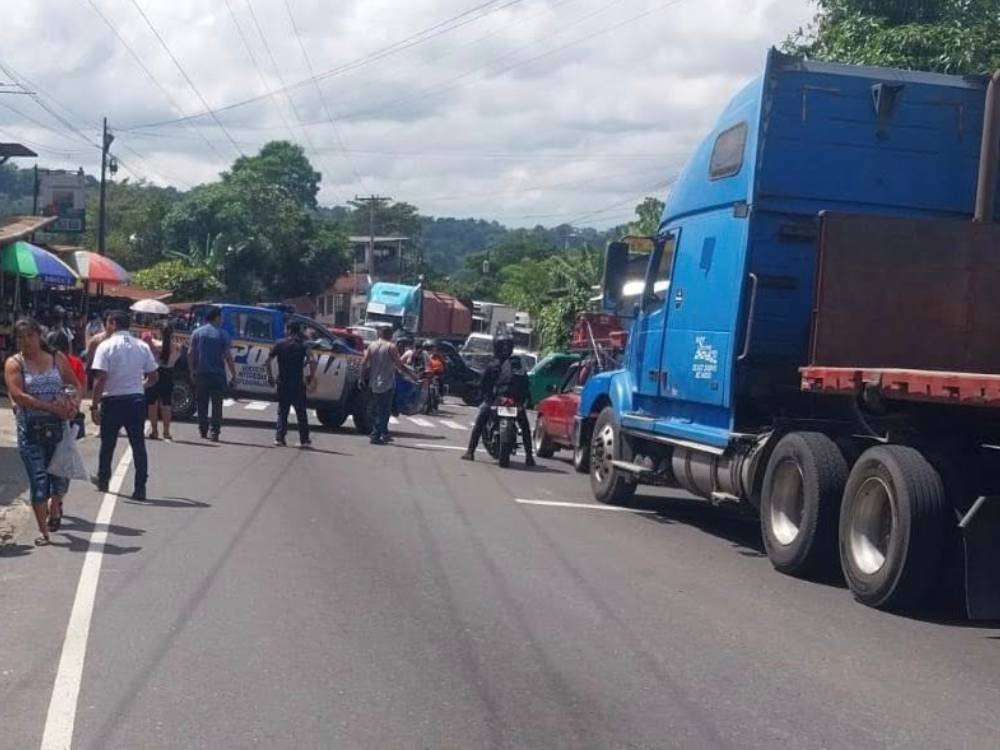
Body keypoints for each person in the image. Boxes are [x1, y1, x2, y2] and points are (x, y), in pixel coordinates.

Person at [4, 318, 81, 545]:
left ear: (39, 336)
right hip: (30, 429)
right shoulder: (14, 363)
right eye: (21, 337)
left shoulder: (57, 358)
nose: (26, 341)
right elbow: (19, 396)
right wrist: (50, 408)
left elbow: (75, 383)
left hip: (58, 428)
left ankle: (55, 506)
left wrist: (73, 404)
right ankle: (43, 532)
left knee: (60, 476)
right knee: (38, 480)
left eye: (30, 336)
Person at [90, 310, 159, 501]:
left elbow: (100, 379)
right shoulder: (142, 346)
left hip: (112, 400)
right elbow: (154, 376)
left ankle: (104, 480)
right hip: (135, 400)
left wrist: (94, 406)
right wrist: (140, 386)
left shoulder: (106, 346)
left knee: (108, 444)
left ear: (112, 323)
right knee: (138, 445)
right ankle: (140, 488)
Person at [461, 336, 535, 466]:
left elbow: (483, 383)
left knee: (480, 420)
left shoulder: (493, 365)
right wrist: (525, 400)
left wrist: (484, 395)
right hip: (515, 401)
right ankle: (529, 456)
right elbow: (526, 384)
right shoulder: (517, 364)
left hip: (497, 400)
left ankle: (470, 451)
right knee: (525, 426)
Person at [267, 320, 317, 448]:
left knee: (283, 411)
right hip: (297, 383)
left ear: (289, 330)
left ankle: (280, 438)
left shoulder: (280, 344)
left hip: (283, 382)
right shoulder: (303, 345)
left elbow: (267, 360)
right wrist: (311, 376)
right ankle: (304, 440)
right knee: (301, 412)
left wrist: (270, 376)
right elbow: (312, 360)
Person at [362, 326, 416, 445]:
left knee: (376, 408)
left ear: (380, 334)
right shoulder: (391, 347)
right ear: (391, 335)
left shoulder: (372, 345)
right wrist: (412, 376)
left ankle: (384, 433)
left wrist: (361, 378)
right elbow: (399, 365)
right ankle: (375, 435)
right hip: (386, 383)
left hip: (373, 382)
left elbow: (364, 363)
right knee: (384, 411)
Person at [189, 307, 236, 442]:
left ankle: (203, 429)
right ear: (216, 317)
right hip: (218, 374)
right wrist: (233, 374)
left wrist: (192, 370)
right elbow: (228, 356)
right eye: (221, 317)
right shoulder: (223, 335)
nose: (222, 320)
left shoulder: (197, 333)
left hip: (202, 373)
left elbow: (190, 353)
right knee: (217, 404)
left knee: (202, 403)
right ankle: (215, 431)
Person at [145, 321, 181, 441]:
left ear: (159, 332)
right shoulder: (176, 346)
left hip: (155, 373)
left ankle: (155, 431)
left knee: (152, 404)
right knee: (166, 404)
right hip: (168, 375)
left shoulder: (153, 344)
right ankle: (166, 431)